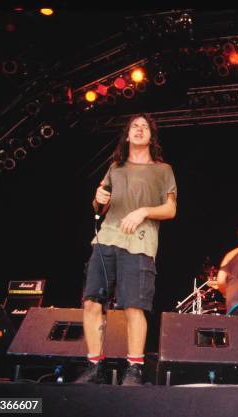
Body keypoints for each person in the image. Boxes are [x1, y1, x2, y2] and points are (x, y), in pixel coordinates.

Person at [76, 113, 177, 385]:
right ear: (127, 134)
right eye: (135, 126)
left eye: (145, 127)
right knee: (91, 302)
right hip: (105, 239)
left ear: (151, 137)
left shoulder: (162, 170)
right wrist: (98, 199)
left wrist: (143, 211)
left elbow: (170, 209)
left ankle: (134, 369)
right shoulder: (115, 168)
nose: (139, 129)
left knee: (134, 306)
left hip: (139, 242)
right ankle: (93, 367)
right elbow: (100, 206)